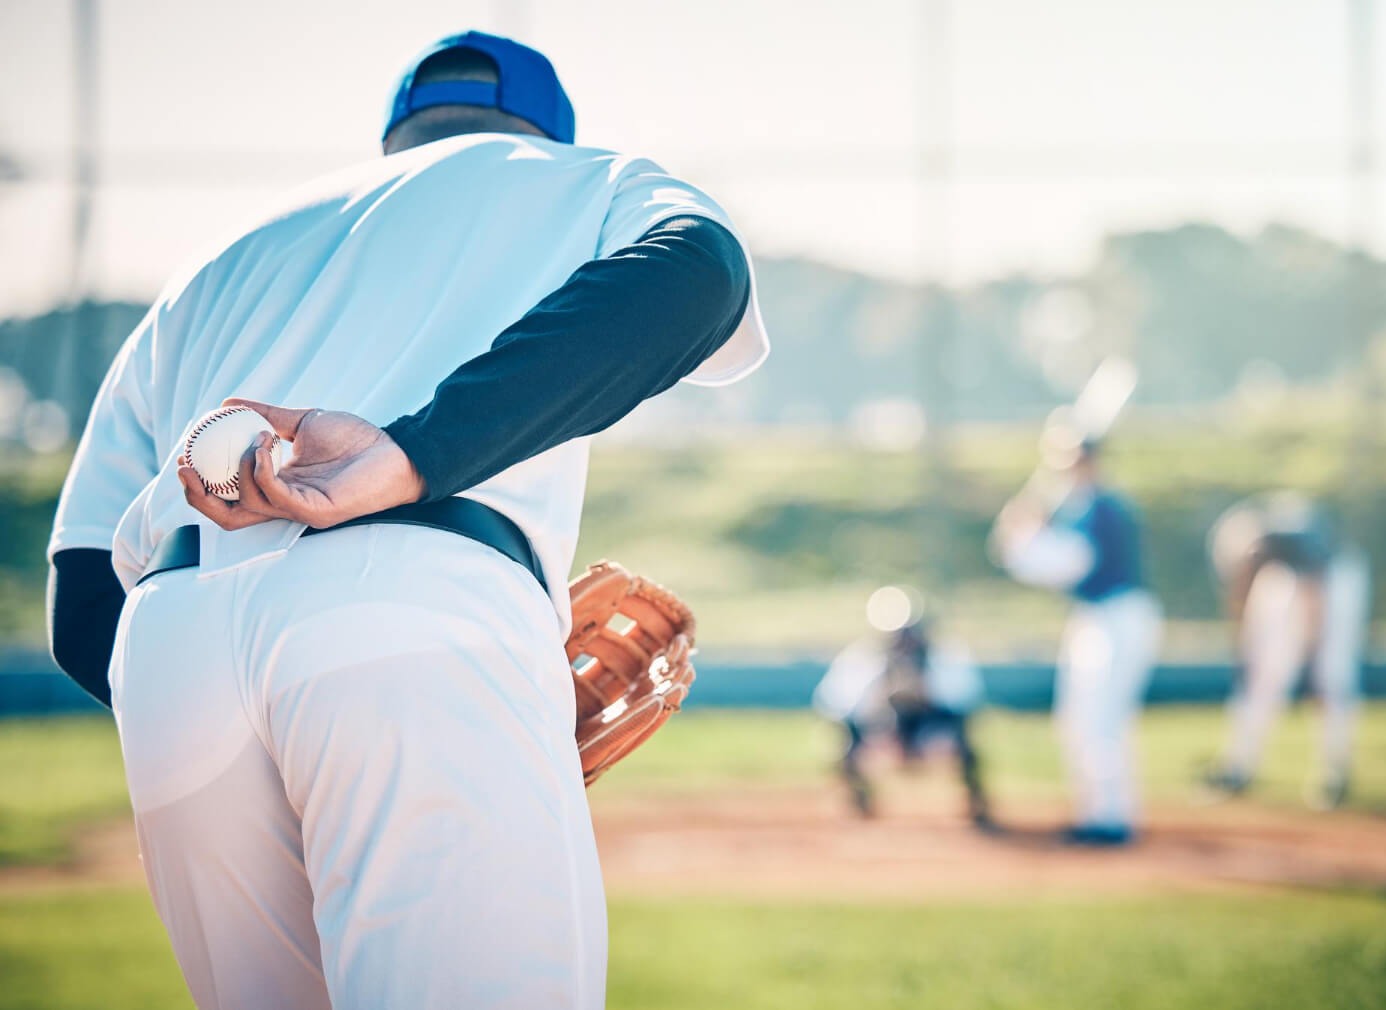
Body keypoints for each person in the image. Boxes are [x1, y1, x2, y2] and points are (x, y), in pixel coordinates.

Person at [46, 32, 768, 1009]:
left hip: (171, 650)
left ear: (398, 137)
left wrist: (229, 707)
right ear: (545, 129)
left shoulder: (215, 260)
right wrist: (416, 451)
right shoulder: (582, 177)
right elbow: (697, 270)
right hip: (420, 603)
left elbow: (84, 591)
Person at [989, 416, 1160, 846]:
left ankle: (1112, 817)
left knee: (1102, 718)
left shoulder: (1100, 508)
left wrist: (1023, 540)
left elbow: (1071, 562)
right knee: (1078, 718)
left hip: (1119, 616)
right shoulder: (1080, 507)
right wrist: (1025, 538)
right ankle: (1096, 813)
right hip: (1095, 618)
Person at [1201, 492, 1370, 809]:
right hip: (1298, 581)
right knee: (1263, 677)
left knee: (1331, 676)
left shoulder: (1299, 545)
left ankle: (1335, 774)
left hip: (1335, 580)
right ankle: (1238, 768)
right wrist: (1243, 650)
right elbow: (1241, 609)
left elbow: (1316, 594)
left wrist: (1312, 652)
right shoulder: (1264, 562)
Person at [813, 587, 1000, 834]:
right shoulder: (864, 658)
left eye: (908, 632)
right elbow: (836, 705)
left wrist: (925, 692)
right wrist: (879, 698)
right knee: (846, 742)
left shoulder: (945, 657)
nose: (904, 640)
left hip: (931, 730)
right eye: (898, 633)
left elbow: (965, 703)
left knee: (965, 742)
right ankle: (860, 800)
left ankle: (976, 805)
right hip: (884, 731)